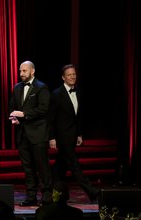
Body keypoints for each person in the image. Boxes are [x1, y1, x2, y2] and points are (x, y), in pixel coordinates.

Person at [47, 64, 100, 202]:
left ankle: (51, 190)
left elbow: (78, 117)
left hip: (72, 135)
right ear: (63, 77)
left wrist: (79, 134)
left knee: (60, 166)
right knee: (74, 164)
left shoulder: (78, 92)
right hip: (62, 136)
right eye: (69, 75)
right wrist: (51, 137)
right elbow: (50, 118)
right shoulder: (56, 94)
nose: (72, 77)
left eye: (74, 74)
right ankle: (92, 191)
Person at [9, 60, 52, 206]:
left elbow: (43, 109)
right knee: (28, 168)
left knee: (42, 166)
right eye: (20, 71)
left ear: (32, 71)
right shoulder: (16, 88)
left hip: (38, 134)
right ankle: (31, 196)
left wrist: (24, 114)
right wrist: (14, 117)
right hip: (22, 134)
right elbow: (12, 106)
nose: (21, 74)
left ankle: (47, 196)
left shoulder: (41, 87)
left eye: (24, 71)